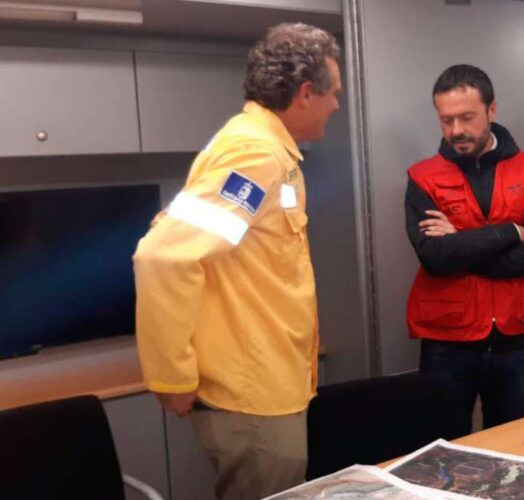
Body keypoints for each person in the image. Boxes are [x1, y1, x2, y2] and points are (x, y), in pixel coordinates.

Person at [133, 23, 341, 500]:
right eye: (333, 93)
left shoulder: (266, 151)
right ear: (306, 92)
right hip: (252, 397)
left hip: (268, 386)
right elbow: (163, 255)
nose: (336, 104)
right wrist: (172, 375)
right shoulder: (254, 154)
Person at [404, 64, 524, 434]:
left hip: (517, 340)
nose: (456, 130)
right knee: (441, 447)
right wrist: (509, 231)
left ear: (492, 110)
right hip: (447, 341)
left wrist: (460, 242)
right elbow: (436, 257)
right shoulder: (422, 177)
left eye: (467, 117)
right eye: (446, 120)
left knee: (516, 446)